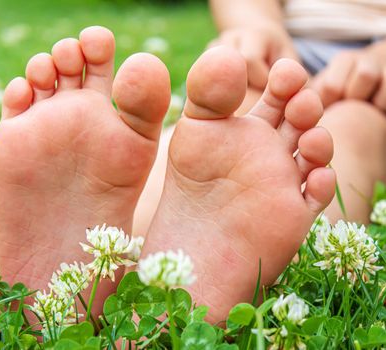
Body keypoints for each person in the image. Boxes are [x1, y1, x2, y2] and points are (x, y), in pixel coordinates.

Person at [0, 25, 334, 323]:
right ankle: (169, 275)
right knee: (253, 145)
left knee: (328, 132)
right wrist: (256, 25)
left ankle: (146, 261)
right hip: (284, 51)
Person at [134, 0, 386, 237]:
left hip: (376, 83)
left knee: (351, 128)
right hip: (285, 51)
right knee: (228, 122)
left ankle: (281, 253)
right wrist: (254, 25)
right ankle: (127, 233)